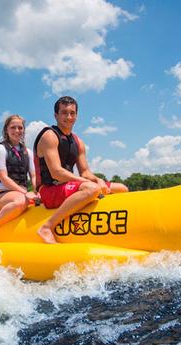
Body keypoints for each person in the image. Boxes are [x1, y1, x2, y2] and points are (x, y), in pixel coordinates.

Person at [33, 96, 128, 243]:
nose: (69, 117)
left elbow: (85, 172)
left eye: (72, 113)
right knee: (91, 189)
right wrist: (92, 184)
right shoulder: (49, 136)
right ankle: (47, 226)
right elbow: (56, 173)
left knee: (122, 188)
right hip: (49, 190)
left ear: (76, 115)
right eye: (64, 112)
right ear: (56, 115)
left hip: (67, 187)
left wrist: (98, 180)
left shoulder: (78, 142)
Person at [0, 114, 38, 242]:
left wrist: (37, 191)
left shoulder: (28, 152)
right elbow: (4, 177)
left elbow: (33, 176)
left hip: (22, 193)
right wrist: (25, 193)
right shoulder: (0, 149)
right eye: (13, 127)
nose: (17, 131)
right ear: (6, 129)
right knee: (21, 201)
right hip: (4, 193)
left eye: (20, 128)